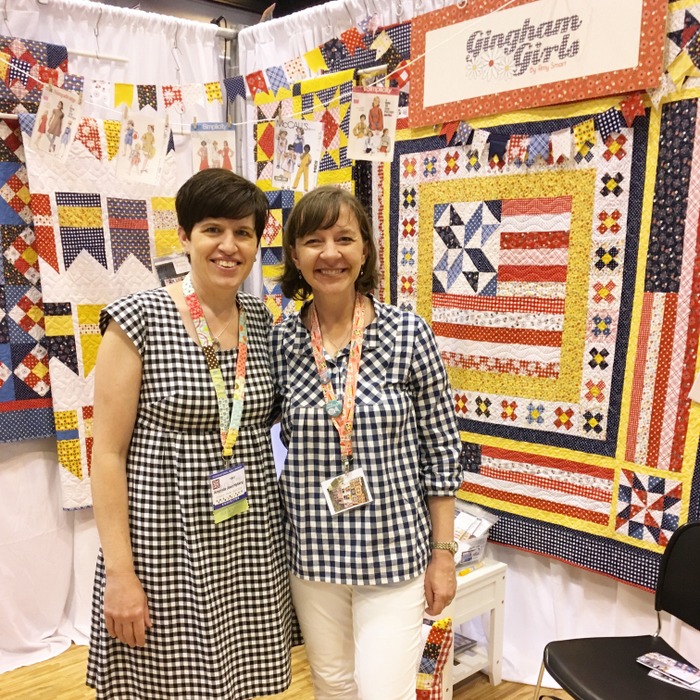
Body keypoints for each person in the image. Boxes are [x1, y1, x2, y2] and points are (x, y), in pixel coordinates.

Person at [87, 169, 297, 699]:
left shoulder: (259, 318)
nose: (228, 246)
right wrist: (121, 574)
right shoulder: (139, 319)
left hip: (248, 536)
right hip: (165, 540)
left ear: (257, 243)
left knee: (242, 681)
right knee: (168, 682)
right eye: (212, 230)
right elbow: (107, 454)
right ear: (184, 236)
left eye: (243, 232)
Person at [271, 186, 462, 700]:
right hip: (312, 552)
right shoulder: (282, 342)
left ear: (365, 251)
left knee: (383, 691)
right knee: (333, 686)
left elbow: (442, 451)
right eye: (313, 241)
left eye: (344, 239)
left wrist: (443, 555)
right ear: (295, 255)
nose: (329, 253)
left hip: (393, 551)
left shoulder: (407, 333)